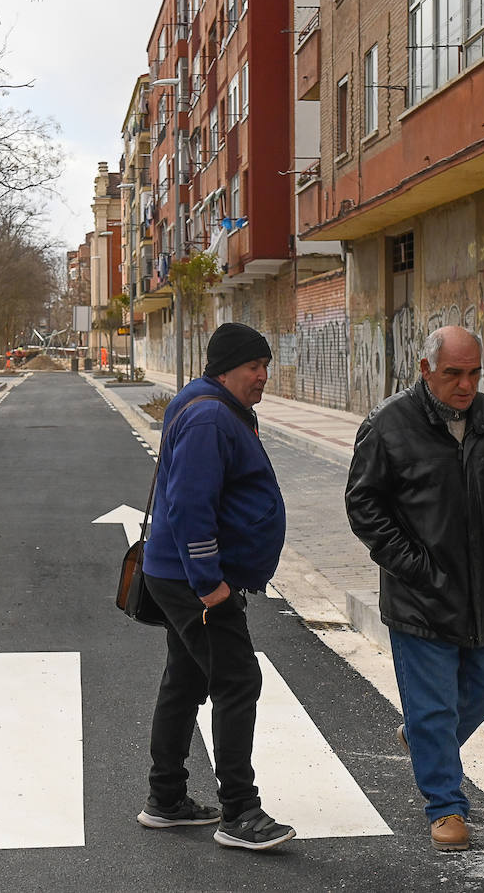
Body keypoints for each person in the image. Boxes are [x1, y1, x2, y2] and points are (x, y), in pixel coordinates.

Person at [343, 325, 484, 852]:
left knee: (483, 692)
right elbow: (363, 506)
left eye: (474, 373)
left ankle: (424, 740)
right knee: (433, 708)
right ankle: (447, 808)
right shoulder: (388, 425)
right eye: (453, 373)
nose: (466, 384)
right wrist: (415, 567)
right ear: (425, 370)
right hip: (420, 597)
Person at [137, 321, 294, 851]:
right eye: (254, 367)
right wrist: (210, 587)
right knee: (237, 680)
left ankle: (166, 799)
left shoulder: (212, 408)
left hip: (178, 573)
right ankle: (240, 812)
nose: (263, 377)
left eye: (265, 366)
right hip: (193, 580)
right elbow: (188, 508)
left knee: (184, 680)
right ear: (225, 368)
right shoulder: (208, 417)